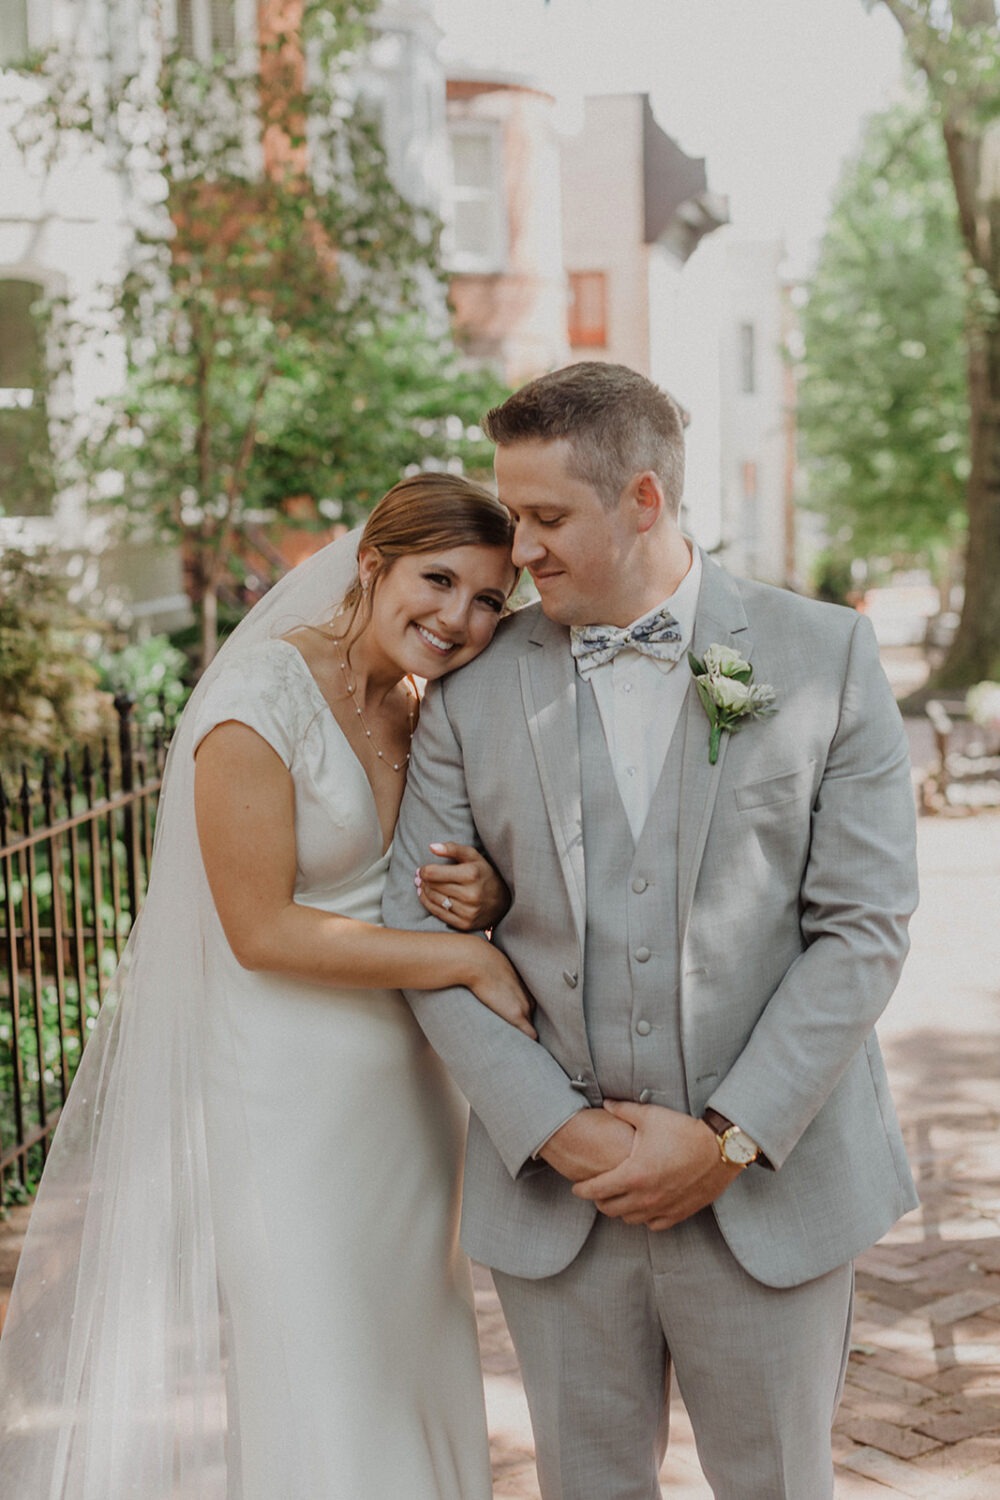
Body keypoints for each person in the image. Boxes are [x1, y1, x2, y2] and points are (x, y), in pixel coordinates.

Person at [385, 362, 920, 1500]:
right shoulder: (469, 691)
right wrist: (558, 1132)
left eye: (545, 517)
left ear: (642, 500)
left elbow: (862, 930)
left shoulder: (823, 657)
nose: (516, 550)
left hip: (771, 1195)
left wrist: (726, 1138)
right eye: (510, 513)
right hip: (556, 1206)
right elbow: (416, 939)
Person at [0, 473, 530, 1500]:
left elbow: (429, 877)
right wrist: (465, 958)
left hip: (412, 1098)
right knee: (319, 1369)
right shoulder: (254, 708)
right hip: (290, 1096)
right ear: (371, 565)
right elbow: (261, 930)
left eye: (486, 600)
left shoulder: (426, 707)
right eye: (437, 579)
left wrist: (484, 895)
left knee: (408, 1355)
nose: (458, 617)